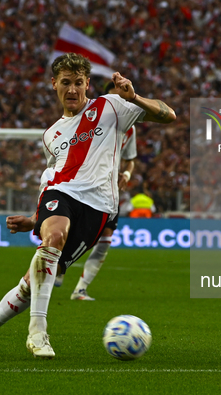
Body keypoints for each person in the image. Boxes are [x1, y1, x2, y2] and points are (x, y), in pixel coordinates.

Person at [0, 53, 175, 359]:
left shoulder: (112, 107)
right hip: (62, 194)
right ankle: (38, 331)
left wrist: (135, 97)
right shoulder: (51, 135)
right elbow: (52, 178)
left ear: (87, 84)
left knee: (29, 287)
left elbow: (169, 115)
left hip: (99, 208)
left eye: (78, 82)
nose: (72, 89)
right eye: (66, 83)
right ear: (54, 85)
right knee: (53, 238)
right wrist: (38, 218)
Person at [59, 81, 139, 301]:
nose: (119, 101)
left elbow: (131, 159)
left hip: (108, 192)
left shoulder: (129, 127)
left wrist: (127, 174)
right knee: (67, 230)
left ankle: (80, 289)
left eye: (123, 97)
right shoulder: (87, 120)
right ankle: (59, 267)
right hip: (79, 189)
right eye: (115, 97)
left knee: (105, 239)